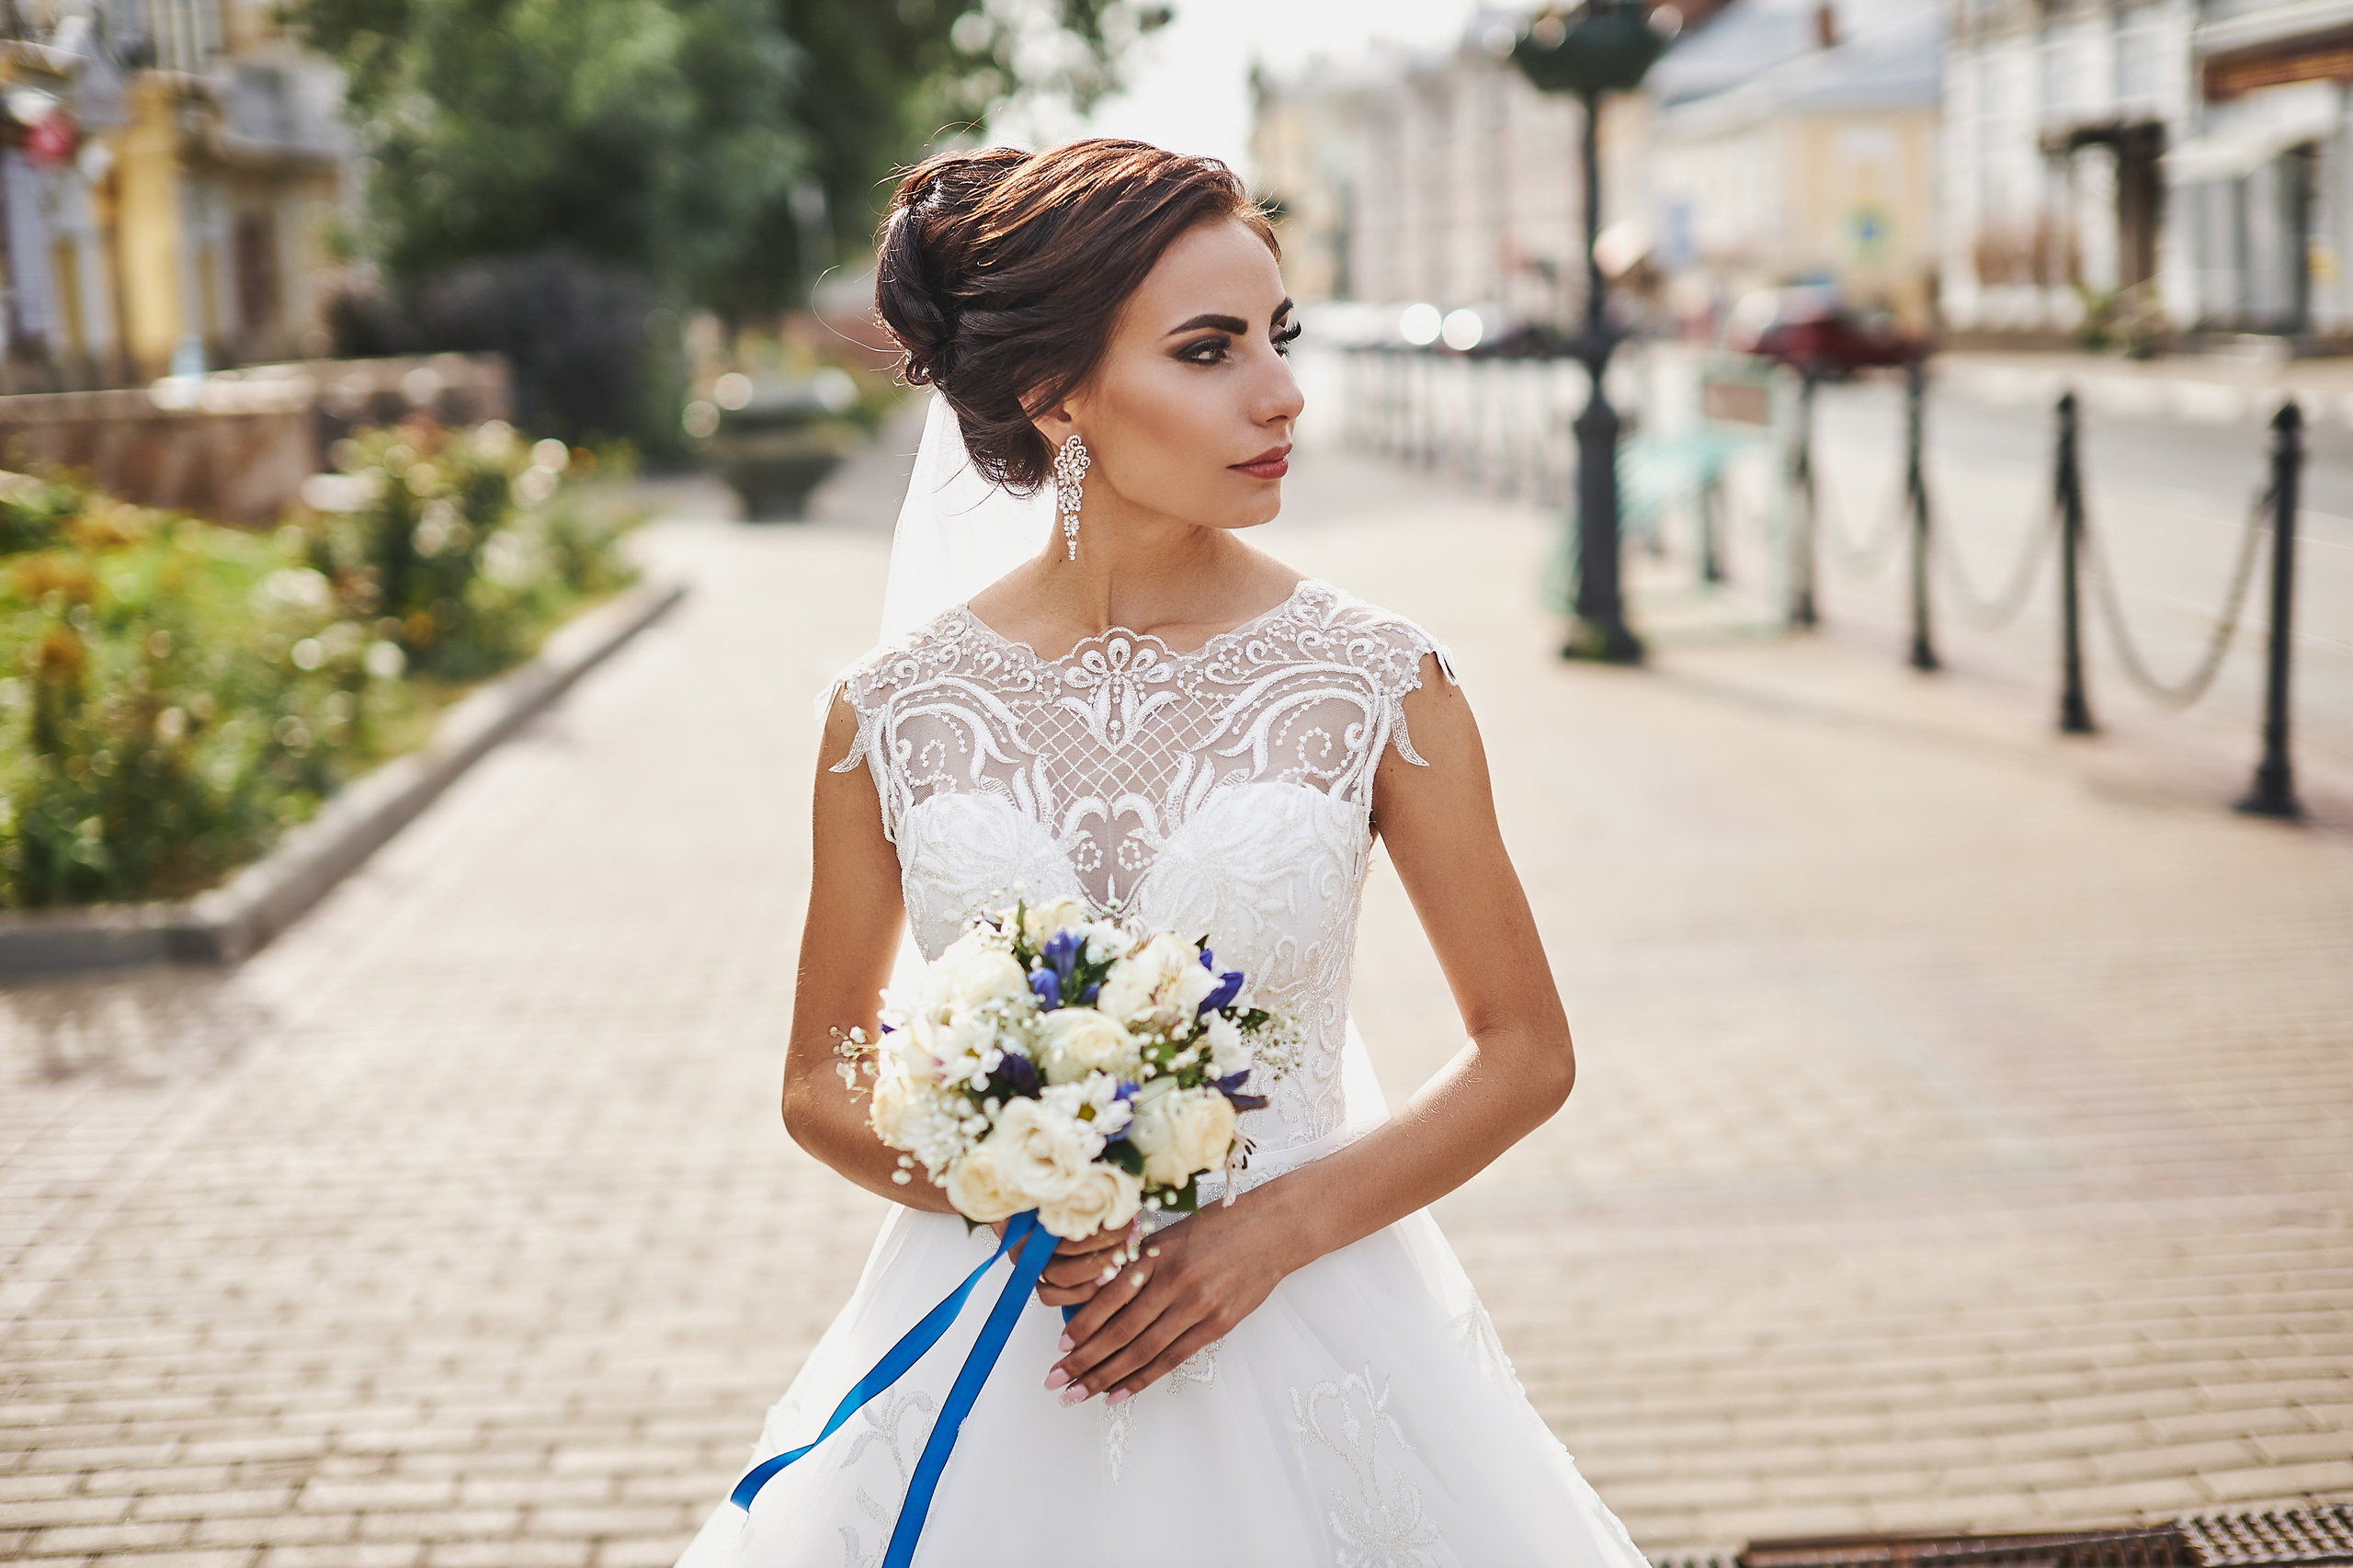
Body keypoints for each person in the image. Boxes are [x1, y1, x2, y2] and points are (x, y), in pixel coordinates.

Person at [674, 139, 1651, 1567]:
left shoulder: (1380, 680)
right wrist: (1011, 1183)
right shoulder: (888, 712)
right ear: (1051, 394)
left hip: (1311, 1329)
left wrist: (1268, 1233)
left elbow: (1524, 1048)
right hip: (1004, 1327)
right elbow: (823, 1077)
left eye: (1277, 335)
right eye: (1210, 349)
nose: (1281, 390)